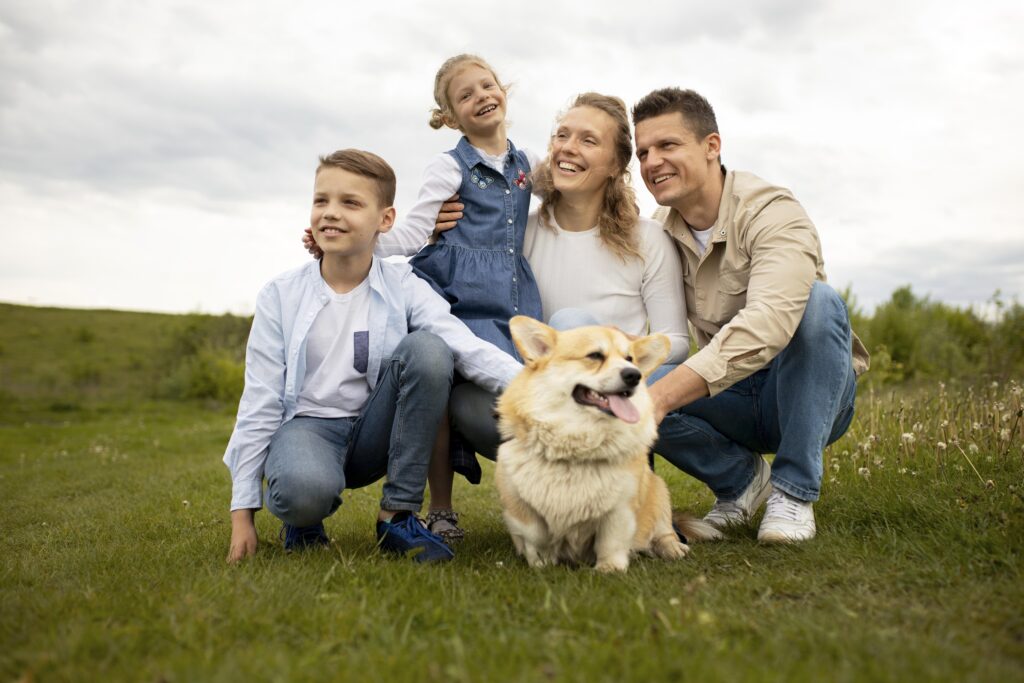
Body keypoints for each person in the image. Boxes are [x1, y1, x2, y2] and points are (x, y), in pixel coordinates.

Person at [223, 149, 522, 564]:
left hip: (376, 431)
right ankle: (304, 519)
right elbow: (259, 400)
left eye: (350, 203)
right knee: (302, 493)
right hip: (309, 430)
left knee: (431, 350)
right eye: (321, 200)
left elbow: (461, 344)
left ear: (385, 220)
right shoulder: (280, 295)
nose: (330, 213)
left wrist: (537, 383)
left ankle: (397, 516)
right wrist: (243, 514)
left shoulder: (404, 284)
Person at [303, 54, 543, 543]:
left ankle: (542, 498)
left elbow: (560, 199)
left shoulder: (528, 163)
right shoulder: (448, 165)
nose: (481, 97)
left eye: (486, 85)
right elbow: (412, 231)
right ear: (451, 117)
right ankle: (440, 508)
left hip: (508, 293)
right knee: (441, 392)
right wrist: (351, 241)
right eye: (465, 95)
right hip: (454, 289)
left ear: (504, 90)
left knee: (506, 385)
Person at [430, 93, 691, 541]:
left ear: (615, 164)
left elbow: (676, 341)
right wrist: (430, 226)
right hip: (547, 407)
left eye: (588, 140)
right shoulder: (522, 232)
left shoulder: (648, 238)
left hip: (616, 404)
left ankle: (616, 502)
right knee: (465, 402)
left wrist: (610, 343)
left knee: (572, 322)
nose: (568, 147)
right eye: (562, 135)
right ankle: (552, 506)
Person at [632, 88, 871, 543]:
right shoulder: (656, 233)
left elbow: (770, 322)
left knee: (819, 302)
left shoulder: (773, 211)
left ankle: (794, 492)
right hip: (735, 396)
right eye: (643, 152)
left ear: (711, 146)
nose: (651, 162)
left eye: (667, 145)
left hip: (808, 394)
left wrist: (661, 399)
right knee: (631, 386)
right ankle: (741, 481)